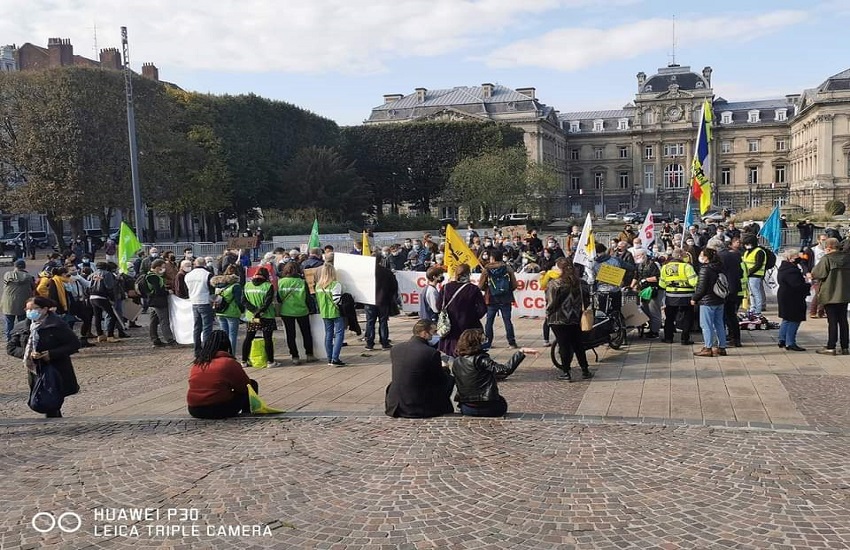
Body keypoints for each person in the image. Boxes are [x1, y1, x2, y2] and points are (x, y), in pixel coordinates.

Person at [7, 297, 80, 418]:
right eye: (28, 309)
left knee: (52, 398)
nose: (30, 311)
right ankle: (54, 419)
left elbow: (74, 344)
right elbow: (11, 348)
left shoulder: (57, 325)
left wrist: (51, 354)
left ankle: (55, 421)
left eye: (34, 309)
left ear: (45, 309)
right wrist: (28, 353)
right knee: (40, 400)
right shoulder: (22, 327)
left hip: (56, 368)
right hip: (35, 369)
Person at [452, 328, 534, 416]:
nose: (485, 343)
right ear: (476, 343)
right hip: (488, 407)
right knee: (501, 402)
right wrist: (520, 352)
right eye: (483, 340)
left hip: (466, 407)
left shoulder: (456, 362)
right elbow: (505, 370)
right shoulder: (480, 359)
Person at [385, 320, 455, 418]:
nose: (434, 335)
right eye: (433, 332)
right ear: (424, 333)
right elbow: (439, 378)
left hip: (395, 403)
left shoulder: (396, 348)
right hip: (417, 405)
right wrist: (445, 368)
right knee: (449, 379)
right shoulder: (430, 352)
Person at [187, 330, 258, 419]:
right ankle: (247, 413)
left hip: (194, 409)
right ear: (227, 346)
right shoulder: (228, 362)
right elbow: (244, 387)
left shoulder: (198, 363)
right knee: (252, 384)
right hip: (218, 409)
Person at [545, 259, 593, 381]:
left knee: (563, 345)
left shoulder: (554, 284)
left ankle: (566, 372)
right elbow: (587, 301)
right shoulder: (581, 283)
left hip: (558, 319)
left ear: (560, 269)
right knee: (578, 344)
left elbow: (551, 303)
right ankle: (585, 370)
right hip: (576, 318)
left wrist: (548, 313)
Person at [437, 263, 487, 358]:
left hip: (449, 326)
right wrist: (472, 317)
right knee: (468, 351)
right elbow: (482, 309)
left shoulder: (446, 287)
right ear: (468, 274)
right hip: (468, 326)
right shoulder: (473, 289)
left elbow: (438, 306)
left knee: (449, 354)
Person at [811, 237, 850, 355]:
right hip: (844, 293)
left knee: (832, 321)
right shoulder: (848, 258)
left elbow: (818, 273)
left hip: (830, 293)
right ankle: (845, 347)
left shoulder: (827, 258)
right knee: (843, 320)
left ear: (828, 248)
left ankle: (831, 346)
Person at [478, 249, 519, 349]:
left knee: (489, 321)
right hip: (506, 298)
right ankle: (511, 342)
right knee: (507, 321)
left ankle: (488, 343)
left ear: (492, 258)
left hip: (491, 299)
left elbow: (481, 286)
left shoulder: (487, 269)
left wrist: (488, 288)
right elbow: (514, 284)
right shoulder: (507, 268)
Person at [691, 248, 727, 357]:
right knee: (719, 324)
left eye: (702, 255)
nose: (700, 257)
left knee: (706, 325)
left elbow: (701, 288)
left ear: (706, 258)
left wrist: (694, 298)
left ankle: (708, 347)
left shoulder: (705, 269)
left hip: (708, 300)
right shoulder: (719, 267)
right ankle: (722, 347)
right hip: (719, 299)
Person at [241, 267, 281, 368]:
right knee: (267, 339)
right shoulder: (268, 286)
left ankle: (244, 361)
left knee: (248, 338)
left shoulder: (247, 285)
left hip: (251, 316)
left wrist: (254, 311)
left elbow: (243, 301)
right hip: (266, 316)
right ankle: (270, 361)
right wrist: (260, 312)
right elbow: (267, 302)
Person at [278, 262, 316, 365]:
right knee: (306, 333)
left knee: (290, 335)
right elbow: (308, 298)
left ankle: (295, 357)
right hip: (302, 311)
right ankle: (309, 354)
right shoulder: (302, 282)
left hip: (286, 311)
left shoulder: (280, 282)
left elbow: (278, 298)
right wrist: (311, 309)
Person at [659, 249, 698, 345]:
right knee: (687, 318)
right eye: (684, 255)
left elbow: (662, 284)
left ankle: (668, 338)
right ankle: (685, 339)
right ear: (680, 256)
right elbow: (694, 282)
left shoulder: (665, 267)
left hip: (671, 296)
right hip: (686, 296)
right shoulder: (687, 267)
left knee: (669, 318)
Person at [776, 249, 810, 352]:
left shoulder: (784, 268)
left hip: (785, 295)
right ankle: (790, 342)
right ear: (790, 258)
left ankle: (782, 339)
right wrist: (808, 284)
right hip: (792, 298)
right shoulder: (792, 271)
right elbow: (797, 285)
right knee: (794, 319)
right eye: (796, 257)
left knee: (786, 319)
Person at [365, 252, 398, 351]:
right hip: (384, 300)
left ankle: (369, 343)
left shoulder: (366, 272)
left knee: (370, 322)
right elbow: (394, 286)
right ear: (381, 260)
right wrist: (390, 297)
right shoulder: (387, 272)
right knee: (383, 322)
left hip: (369, 300)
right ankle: (384, 342)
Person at [315, 263, 346, 366]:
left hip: (324, 312)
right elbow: (336, 300)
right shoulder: (335, 284)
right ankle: (335, 358)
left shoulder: (318, 286)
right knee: (339, 334)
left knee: (328, 334)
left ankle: (329, 358)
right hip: (336, 311)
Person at [185, 257, 215, 357]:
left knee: (197, 327)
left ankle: (197, 350)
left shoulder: (188, 275)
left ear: (194, 264)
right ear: (205, 263)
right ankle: (207, 350)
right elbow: (212, 290)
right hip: (205, 301)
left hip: (194, 302)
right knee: (207, 327)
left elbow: (187, 288)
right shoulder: (207, 274)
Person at [718, 237, 745, 348]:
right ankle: (735, 339)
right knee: (731, 315)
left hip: (724, 290)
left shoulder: (720, 257)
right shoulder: (735, 256)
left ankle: (723, 338)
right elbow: (740, 273)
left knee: (722, 316)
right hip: (735, 289)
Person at [145, 259, 177, 348]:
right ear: (157, 267)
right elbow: (158, 291)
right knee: (164, 321)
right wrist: (167, 292)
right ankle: (170, 340)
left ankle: (155, 340)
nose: (164, 269)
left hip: (153, 302)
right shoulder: (153, 277)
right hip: (159, 302)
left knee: (154, 321)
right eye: (162, 267)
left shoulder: (150, 275)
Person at [211, 265, 243, 354]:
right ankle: (231, 354)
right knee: (232, 335)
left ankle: (224, 353)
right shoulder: (236, 286)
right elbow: (238, 301)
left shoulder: (218, 285)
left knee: (224, 335)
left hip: (220, 312)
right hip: (232, 313)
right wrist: (242, 311)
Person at [2, 259, 35, 341]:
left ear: (15, 266)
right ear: (24, 266)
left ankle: (9, 338)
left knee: (9, 322)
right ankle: (21, 338)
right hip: (23, 303)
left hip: (8, 303)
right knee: (22, 322)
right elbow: (33, 288)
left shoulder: (7, 274)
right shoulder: (29, 277)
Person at [631, 248, 661, 338]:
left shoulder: (652, 264)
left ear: (643, 255)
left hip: (652, 290)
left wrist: (646, 279)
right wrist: (631, 286)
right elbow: (636, 276)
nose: (636, 258)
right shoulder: (639, 265)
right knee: (645, 310)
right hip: (643, 291)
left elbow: (657, 277)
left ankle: (655, 331)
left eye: (638, 256)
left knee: (653, 311)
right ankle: (650, 329)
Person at [742, 235, 767, 316]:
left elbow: (758, 264)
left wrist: (749, 272)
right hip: (748, 276)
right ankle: (753, 308)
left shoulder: (759, 251)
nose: (746, 246)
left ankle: (758, 310)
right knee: (751, 293)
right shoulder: (747, 252)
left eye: (747, 244)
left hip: (756, 275)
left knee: (756, 293)